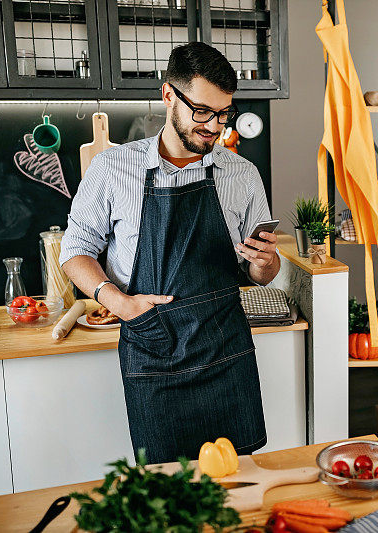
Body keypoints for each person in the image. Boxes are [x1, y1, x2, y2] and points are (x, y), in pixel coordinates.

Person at [60, 42, 279, 463]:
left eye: (223, 113)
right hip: (153, 349)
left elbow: (260, 273)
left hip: (225, 350)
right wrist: (119, 302)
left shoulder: (242, 173)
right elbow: (75, 250)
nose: (214, 127)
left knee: (239, 481)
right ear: (168, 96)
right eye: (202, 111)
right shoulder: (112, 169)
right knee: (166, 491)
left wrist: (266, 265)